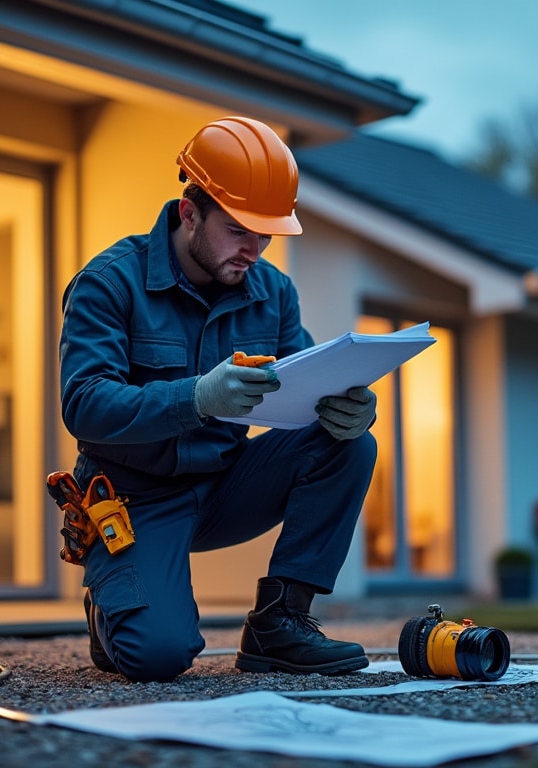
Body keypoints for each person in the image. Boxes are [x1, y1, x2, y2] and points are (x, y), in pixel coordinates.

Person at [58, 116, 379, 683]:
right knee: (157, 656)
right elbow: (84, 404)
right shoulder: (109, 282)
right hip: (133, 499)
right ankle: (110, 604)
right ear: (190, 213)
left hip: (226, 485)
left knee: (349, 445)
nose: (254, 250)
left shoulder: (274, 292)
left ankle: (280, 623)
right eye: (238, 230)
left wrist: (348, 408)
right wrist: (197, 398)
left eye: (266, 235)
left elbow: (308, 387)